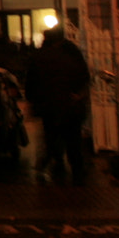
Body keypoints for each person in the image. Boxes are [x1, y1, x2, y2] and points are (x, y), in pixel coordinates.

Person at [26, 26, 93, 185]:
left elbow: (31, 82)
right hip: (70, 103)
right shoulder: (72, 53)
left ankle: (56, 163)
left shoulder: (39, 56)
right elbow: (84, 76)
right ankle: (77, 170)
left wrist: (34, 100)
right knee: (73, 139)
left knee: (52, 135)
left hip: (49, 104)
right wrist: (78, 95)